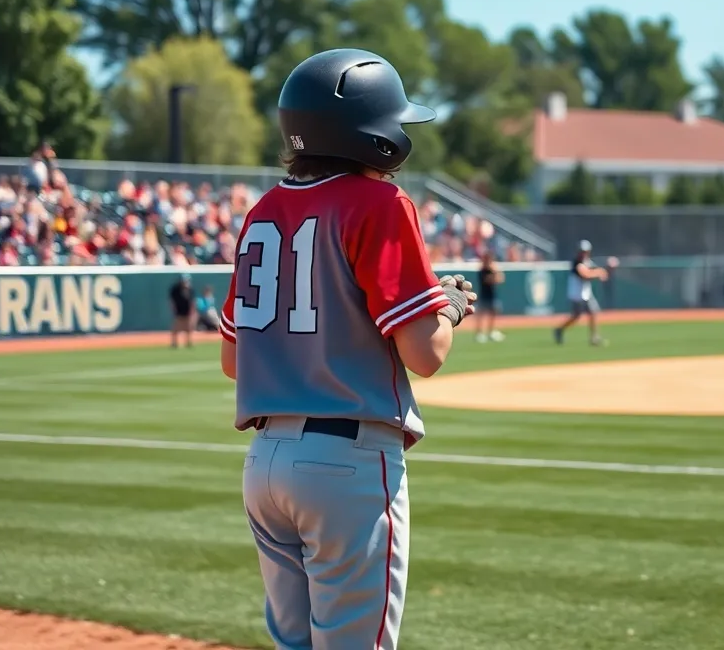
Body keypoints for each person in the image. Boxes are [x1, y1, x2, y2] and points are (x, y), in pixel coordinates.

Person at [217, 48, 475, 650]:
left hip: (265, 462)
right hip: (347, 462)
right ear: (374, 136)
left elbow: (233, 361)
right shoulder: (380, 203)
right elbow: (426, 354)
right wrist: (450, 308)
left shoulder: (262, 211)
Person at [554, 239, 610, 347]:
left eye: (585, 251)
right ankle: (559, 330)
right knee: (576, 316)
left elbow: (595, 271)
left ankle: (594, 338)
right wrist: (599, 272)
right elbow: (585, 275)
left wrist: (602, 272)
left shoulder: (587, 261)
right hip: (577, 295)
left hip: (586, 294)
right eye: (582, 251)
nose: (583, 253)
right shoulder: (576, 263)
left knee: (593, 312)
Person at [475, 250, 505, 343]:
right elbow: (488, 280)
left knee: (493, 314)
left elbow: (500, 279)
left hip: (492, 295)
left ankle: (491, 331)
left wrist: (496, 271)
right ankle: (480, 333)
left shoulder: (493, 270)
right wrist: (494, 273)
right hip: (484, 295)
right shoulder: (482, 271)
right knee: (481, 315)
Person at [169, 273, 194, 348]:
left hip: (187, 311)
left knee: (188, 328)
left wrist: (192, 311)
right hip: (178, 311)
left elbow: (192, 301)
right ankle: (174, 343)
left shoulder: (190, 289)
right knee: (176, 328)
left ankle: (188, 342)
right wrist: (174, 310)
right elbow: (172, 301)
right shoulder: (175, 289)